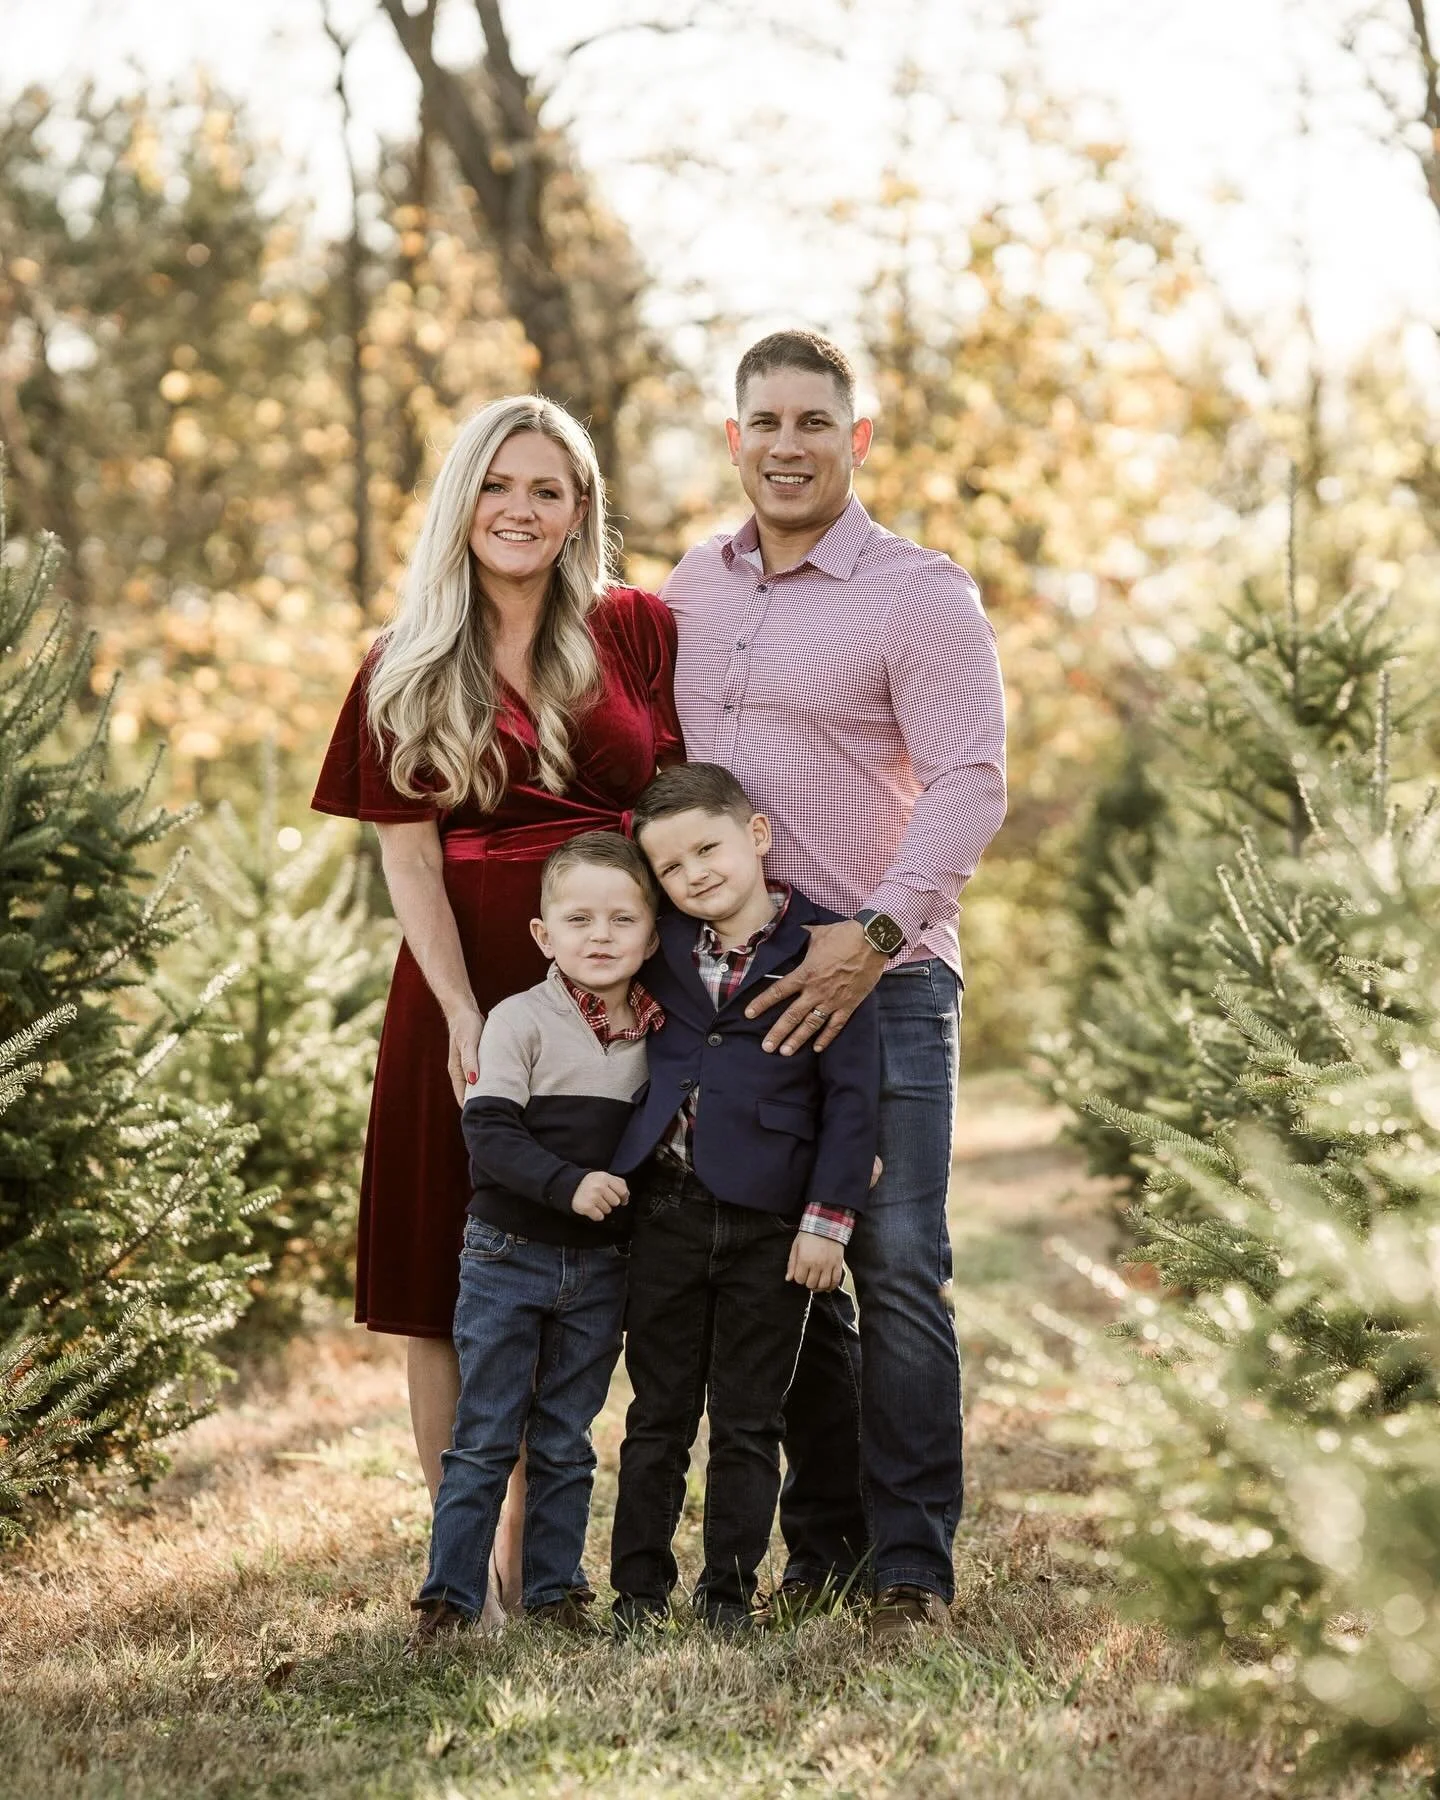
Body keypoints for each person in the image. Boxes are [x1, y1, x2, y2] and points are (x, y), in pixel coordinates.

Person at [311, 395, 684, 1618]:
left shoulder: (630, 630)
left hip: (618, 990)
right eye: (500, 487)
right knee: (443, 1278)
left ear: (580, 512)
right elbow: (408, 859)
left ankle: (558, 1560)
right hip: (460, 987)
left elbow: (678, 803)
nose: (521, 511)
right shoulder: (404, 659)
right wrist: (465, 1012)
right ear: (461, 500)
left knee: (598, 1259)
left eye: (549, 491)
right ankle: (465, 1568)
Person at [662, 330, 1007, 1641]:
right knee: (769, 1259)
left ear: (855, 441)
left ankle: (911, 1564)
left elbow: (972, 778)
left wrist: (869, 936)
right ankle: (826, 1542)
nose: (789, 443)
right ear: (735, 438)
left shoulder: (919, 592)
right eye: (766, 421)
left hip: (887, 976)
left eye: (816, 420)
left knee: (900, 1257)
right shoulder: (695, 585)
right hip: (739, 990)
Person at [607, 762, 880, 1635]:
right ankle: (638, 1596)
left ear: (757, 836)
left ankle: (725, 1596)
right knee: (656, 1415)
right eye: (672, 868)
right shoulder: (659, 956)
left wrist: (827, 1224)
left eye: (708, 849)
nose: (694, 874)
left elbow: (851, 1102)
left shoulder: (826, 951)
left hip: (772, 1223)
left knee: (749, 1419)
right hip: (667, 1214)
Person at [406, 831, 663, 1650]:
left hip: (599, 1269)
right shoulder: (518, 1020)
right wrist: (568, 1184)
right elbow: (489, 1136)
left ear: (654, 937)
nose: (600, 935)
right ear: (543, 935)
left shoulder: (662, 1037)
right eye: (578, 918)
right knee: (484, 1435)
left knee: (565, 1439)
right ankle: (450, 1599)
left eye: (622, 919)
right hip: (507, 1258)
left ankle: (552, 1594)